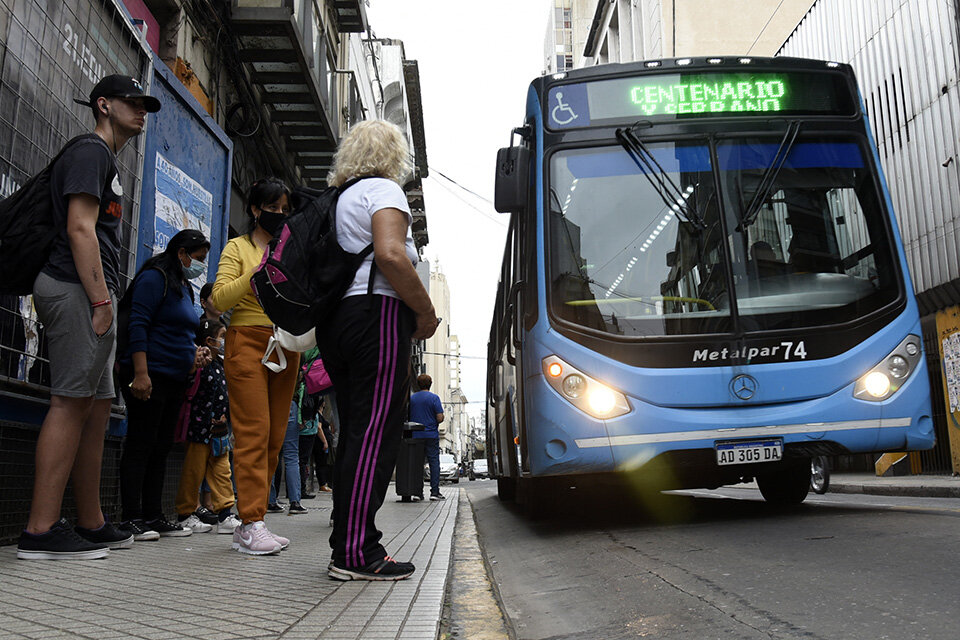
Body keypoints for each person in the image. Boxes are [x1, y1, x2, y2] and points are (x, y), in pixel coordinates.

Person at [18, 75, 161, 560]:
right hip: (76, 288)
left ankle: (91, 521)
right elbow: (80, 229)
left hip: (93, 294)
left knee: (98, 407)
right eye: (132, 102)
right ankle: (39, 531)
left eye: (146, 105)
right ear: (103, 105)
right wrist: (102, 302)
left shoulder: (108, 159)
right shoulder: (90, 151)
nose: (142, 110)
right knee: (70, 402)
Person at [320, 120, 438, 581]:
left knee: (356, 433)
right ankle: (355, 551)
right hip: (378, 316)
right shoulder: (384, 193)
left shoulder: (338, 200)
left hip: (338, 322)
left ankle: (347, 540)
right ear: (394, 156)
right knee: (375, 435)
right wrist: (425, 314)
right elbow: (390, 255)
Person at [211, 178, 300, 556]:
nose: (278, 214)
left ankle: (254, 520)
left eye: (284, 209)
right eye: (271, 207)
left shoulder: (293, 248)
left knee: (275, 436)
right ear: (254, 209)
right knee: (253, 430)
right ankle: (250, 522)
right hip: (246, 339)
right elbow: (218, 298)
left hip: (286, 344)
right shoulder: (238, 247)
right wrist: (257, 271)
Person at [117, 229, 212, 539]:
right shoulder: (154, 278)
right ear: (181, 253)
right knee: (141, 443)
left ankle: (153, 515)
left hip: (175, 379)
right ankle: (132, 517)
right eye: (198, 258)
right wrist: (141, 374)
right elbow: (138, 324)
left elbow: (183, 332)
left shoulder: (183, 287)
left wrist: (194, 355)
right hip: (149, 374)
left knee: (161, 447)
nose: (200, 265)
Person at [174, 318, 242, 535]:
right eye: (222, 336)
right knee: (194, 471)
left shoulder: (221, 365)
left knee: (223, 470)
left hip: (219, 431)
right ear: (209, 340)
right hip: (199, 427)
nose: (225, 341)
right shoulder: (199, 364)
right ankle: (185, 514)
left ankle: (225, 513)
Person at [267, 399, 306, 515]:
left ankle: (270, 501)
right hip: (290, 404)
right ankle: (295, 502)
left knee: (271, 454)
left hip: (271, 404)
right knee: (292, 457)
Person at [410, 374, 445, 501]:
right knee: (434, 463)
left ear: (418, 384)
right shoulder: (434, 398)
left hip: (416, 435)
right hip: (431, 435)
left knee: (417, 464)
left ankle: (418, 493)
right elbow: (440, 417)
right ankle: (434, 493)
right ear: (430, 384)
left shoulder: (412, 399)